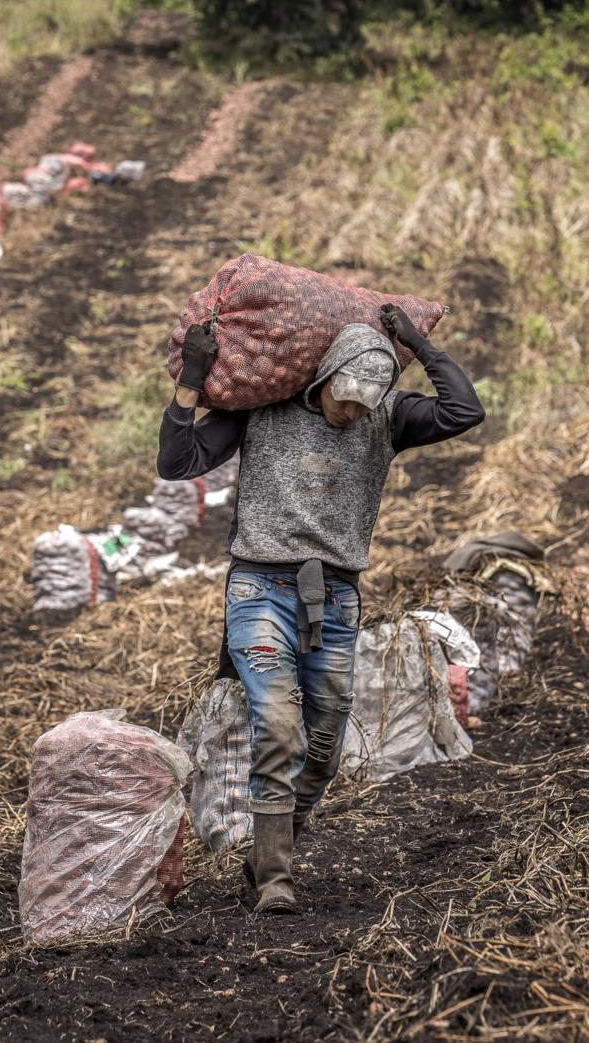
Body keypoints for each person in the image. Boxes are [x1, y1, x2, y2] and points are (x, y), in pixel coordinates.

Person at [158, 305, 484, 913]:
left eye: (364, 403)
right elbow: (177, 462)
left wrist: (418, 344)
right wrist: (192, 379)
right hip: (260, 589)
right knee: (278, 724)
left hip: (335, 598)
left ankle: (269, 849)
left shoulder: (387, 417)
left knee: (325, 744)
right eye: (344, 398)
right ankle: (275, 880)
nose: (351, 412)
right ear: (324, 375)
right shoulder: (266, 408)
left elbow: (464, 411)